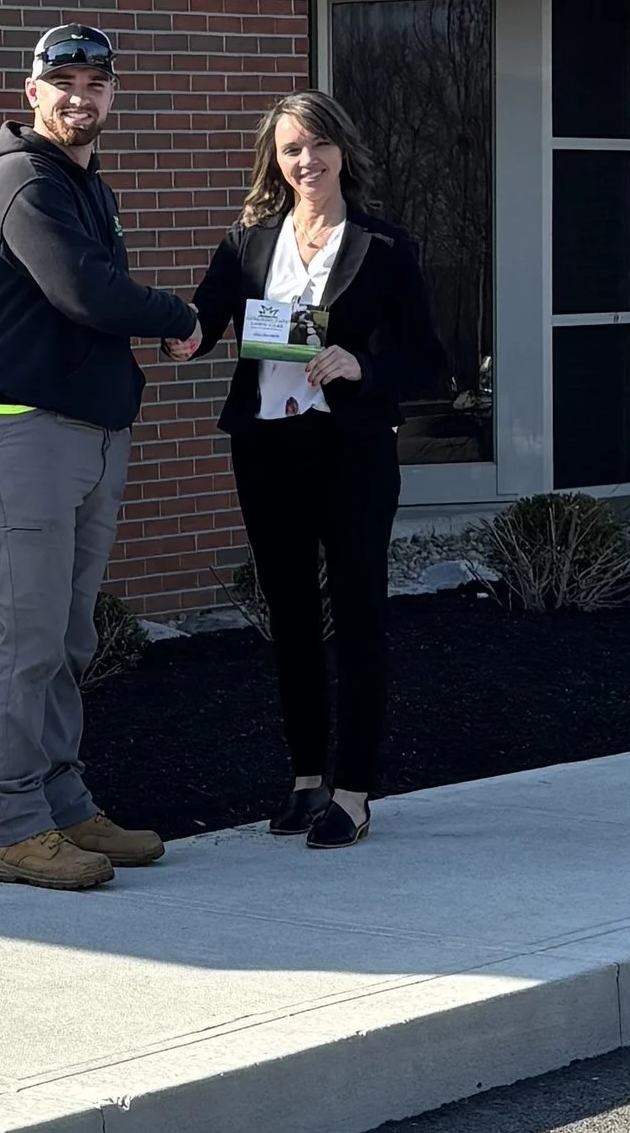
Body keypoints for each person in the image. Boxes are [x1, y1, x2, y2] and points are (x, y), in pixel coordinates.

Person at [167, 90, 446, 849]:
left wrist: (361, 362)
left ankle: (352, 791)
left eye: (319, 144)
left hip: (351, 451)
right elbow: (202, 322)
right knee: (288, 616)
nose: (307, 160)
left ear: (343, 150)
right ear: (275, 160)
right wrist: (164, 331)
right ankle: (303, 780)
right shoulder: (249, 239)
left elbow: (431, 365)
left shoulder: (383, 246)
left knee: (358, 616)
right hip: (266, 450)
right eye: (292, 148)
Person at [0, 23, 201, 892]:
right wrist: (178, 316)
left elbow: (88, 305)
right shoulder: (23, 181)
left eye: (96, 82)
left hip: (87, 437)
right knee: (30, 641)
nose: (80, 95)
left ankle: (63, 803)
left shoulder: (84, 184)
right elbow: (85, 291)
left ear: (112, 97)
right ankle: (15, 826)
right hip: (28, 437)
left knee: (67, 634)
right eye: (63, 80)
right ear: (31, 93)